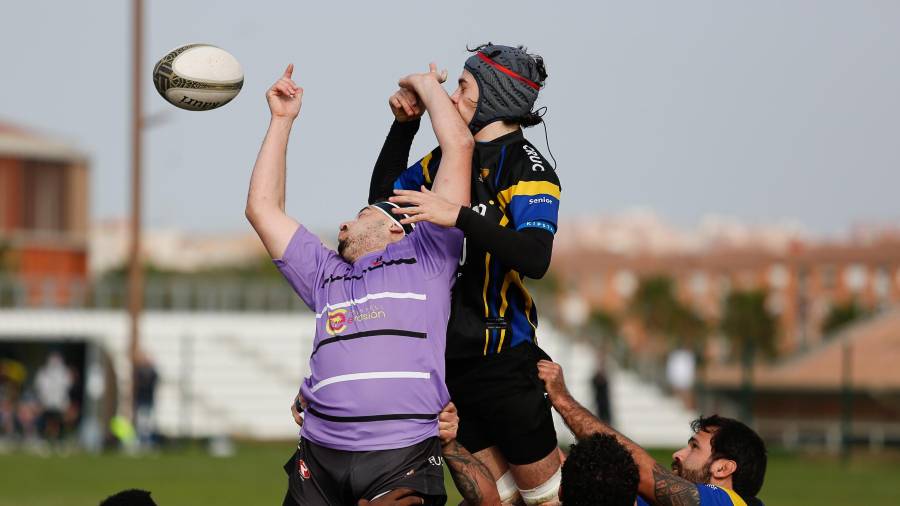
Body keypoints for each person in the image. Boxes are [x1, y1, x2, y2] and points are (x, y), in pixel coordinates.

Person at [246, 62, 471, 506]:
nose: (345, 222)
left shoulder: (427, 257)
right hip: (319, 453)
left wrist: (426, 88)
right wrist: (281, 121)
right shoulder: (326, 273)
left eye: (363, 214)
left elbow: (459, 146)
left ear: (395, 229)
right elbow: (262, 209)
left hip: (401, 453)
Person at [369, 43, 562, 505]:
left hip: (503, 357)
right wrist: (405, 127)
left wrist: (455, 214)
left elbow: (535, 257)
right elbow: (382, 206)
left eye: (463, 85)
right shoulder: (448, 159)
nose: (454, 97)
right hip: (447, 358)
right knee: (493, 500)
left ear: (493, 97)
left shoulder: (527, 166)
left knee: (545, 500)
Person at [537, 360, 768, 506]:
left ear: (723, 468)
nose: (678, 454)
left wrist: (564, 402)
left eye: (695, 447)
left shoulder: (727, 503)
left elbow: (643, 471)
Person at [34, 351, 72, 442]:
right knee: (48, 422)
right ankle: (47, 438)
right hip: (48, 403)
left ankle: (58, 439)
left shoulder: (64, 373)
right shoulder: (44, 372)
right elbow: (40, 387)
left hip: (59, 403)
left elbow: (67, 386)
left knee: (57, 422)